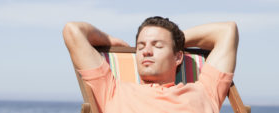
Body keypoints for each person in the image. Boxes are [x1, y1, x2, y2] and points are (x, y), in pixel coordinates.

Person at [63, 16, 239, 113]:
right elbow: (73, 31)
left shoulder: (204, 91)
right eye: (140, 46)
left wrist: (174, 38)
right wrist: (110, 40)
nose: (146, 51)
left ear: (178, 57)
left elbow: (227, 31)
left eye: (157, 46)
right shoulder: (112, 90)